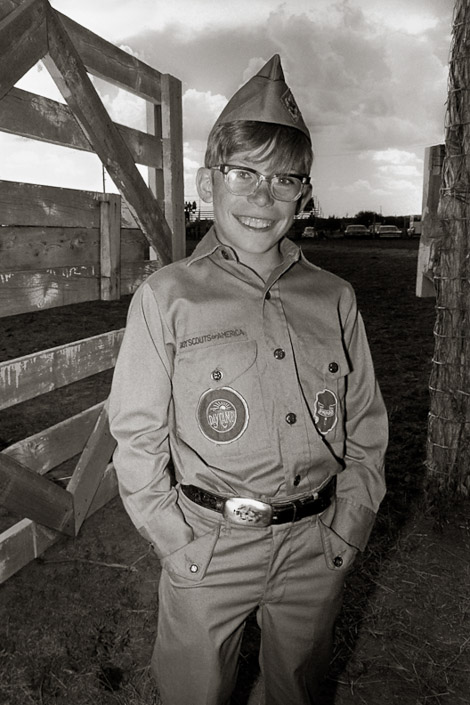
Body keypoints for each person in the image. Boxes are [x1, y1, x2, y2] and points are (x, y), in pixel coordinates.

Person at [108, 54, 388, 705]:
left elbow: (367, 428)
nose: (263, 196)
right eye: (244, 173)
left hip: (314, 544)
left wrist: (346, 529)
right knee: (192, 693)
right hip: (208, 547)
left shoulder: (335, 298)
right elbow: (137, 438)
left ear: (305, 194)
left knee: (299, 688)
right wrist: (179, 546)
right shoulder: (167, 297)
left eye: (285, 179)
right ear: (210, 182)